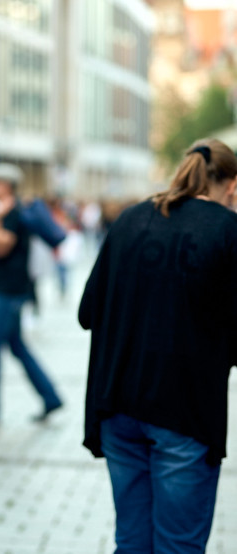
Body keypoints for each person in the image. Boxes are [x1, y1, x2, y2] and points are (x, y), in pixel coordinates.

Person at [78, 139, 237, 553]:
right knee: (178, 545)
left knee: (132, 541)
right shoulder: (226, 230)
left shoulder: (131, 219)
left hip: (117, 404)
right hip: (184, 409)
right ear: (233, 185)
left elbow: (86, 312)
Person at [0, 163, 62, 423]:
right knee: (17, 347)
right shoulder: (1, 211)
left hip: (9, 293)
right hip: (5, 291)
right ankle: (50, 397)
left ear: (5, 185)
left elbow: (1, 248)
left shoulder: (14, 213)